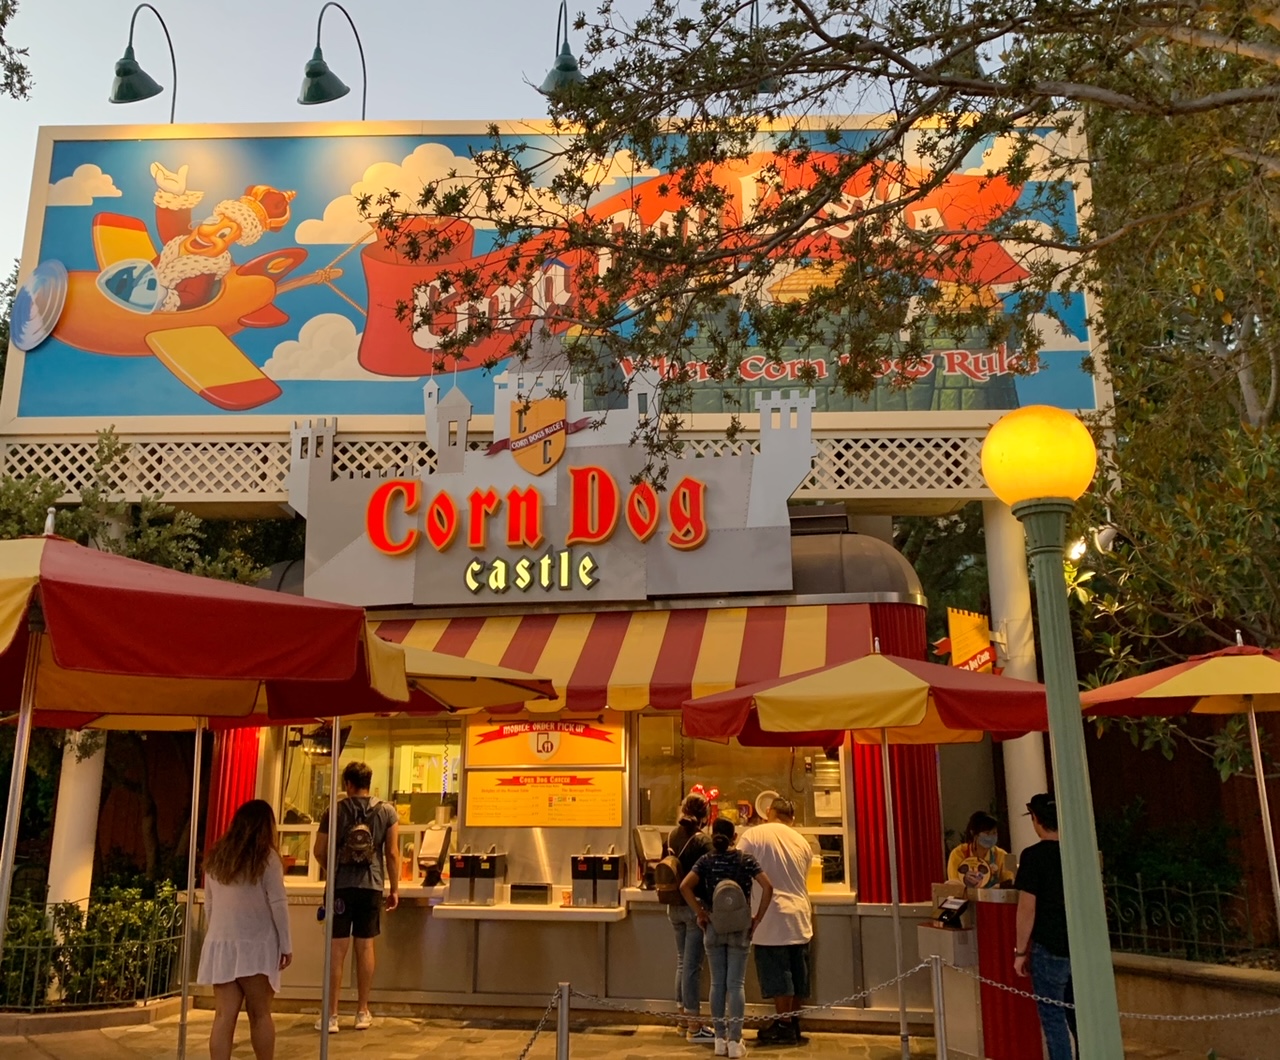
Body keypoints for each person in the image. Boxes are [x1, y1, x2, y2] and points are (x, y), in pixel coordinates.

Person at [198, 800, 292, 1060]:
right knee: (260, 1013)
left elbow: (209, 905)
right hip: (256, 946)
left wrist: (216, 934)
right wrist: (286, 945)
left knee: (223, 1016)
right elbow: (278, 904)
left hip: (221, 944)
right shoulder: (267, 858)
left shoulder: (217, 857)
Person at [313, 761, 401, 1034]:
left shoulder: (334, 811)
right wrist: (394, 888)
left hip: (341, 887)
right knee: (365, 947)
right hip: (372, 886)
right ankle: (362, 1011)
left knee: (337, 950)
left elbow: (319, 850)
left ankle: (331, 1016)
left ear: (348, 784)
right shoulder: (387, 811)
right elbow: (393, 853)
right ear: (369, 782)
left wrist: (334, 869)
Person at [680, 817, 774, 1059]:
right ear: (734, 837)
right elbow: (768, 887)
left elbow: (684, 886)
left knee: (717, 985)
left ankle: (719, 1039)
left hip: (714, 927)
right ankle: (735, 1040)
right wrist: (757, 918)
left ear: (713, 836)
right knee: (736, 985)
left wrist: (700, 912)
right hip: (741, 929)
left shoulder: (706, 860)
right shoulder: (746, 860)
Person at [736, 797, 815, 1045]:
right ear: (791, 817)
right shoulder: (803, 842)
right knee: (797, 973)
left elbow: (737, 867)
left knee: (779, 975)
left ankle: (783, 1027)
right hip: (800, 914)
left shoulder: (754, 835)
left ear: (768, 811)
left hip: (771, 916)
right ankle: (791, 1023)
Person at [1014, 793, 1077, 1060]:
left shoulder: (1033, 856)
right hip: (1079, 945)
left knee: (1053, 1018)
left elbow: (1027, 908)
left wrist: (1019, 952)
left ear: (1036, 820)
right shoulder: (1077, 853)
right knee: (1079, 1016)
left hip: (1049, 946)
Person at [666, 792, 715, 1042]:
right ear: (704, 815)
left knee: (682, 963)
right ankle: (695, 1028)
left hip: (674, 906)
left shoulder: (673, 834)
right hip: (694, 907)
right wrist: (702, 911)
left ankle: (682, 1021)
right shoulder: (702, 841)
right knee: (693, 967)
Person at [948, 810, 1014, 889]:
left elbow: (1011, 882)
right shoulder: (958, 853)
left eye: (994, 833)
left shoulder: (1002, 854)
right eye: (987, 833)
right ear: (973, 833)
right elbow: (954, 883)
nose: (991, 837)